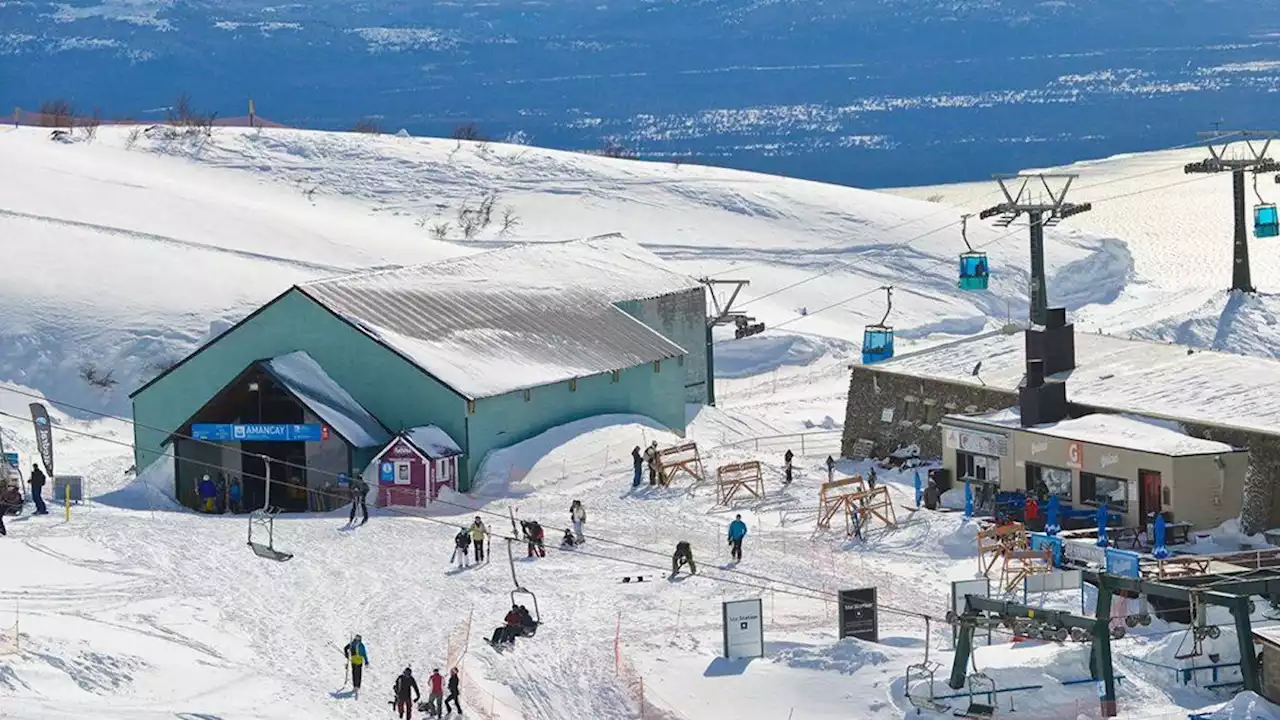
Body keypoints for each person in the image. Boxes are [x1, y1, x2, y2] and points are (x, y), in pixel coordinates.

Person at [343, 634, 369, 698]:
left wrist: (366, 661)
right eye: (357, 638)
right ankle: (355, 686)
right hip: (354, 661)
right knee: (355, 673)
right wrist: (346, 654)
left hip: (359, 661)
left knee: (358, 673)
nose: (357, 639)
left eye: (358, 638)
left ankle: (357, 686)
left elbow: (364, 653)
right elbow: (346, 648)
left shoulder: (361, 645)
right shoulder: (353, 644)